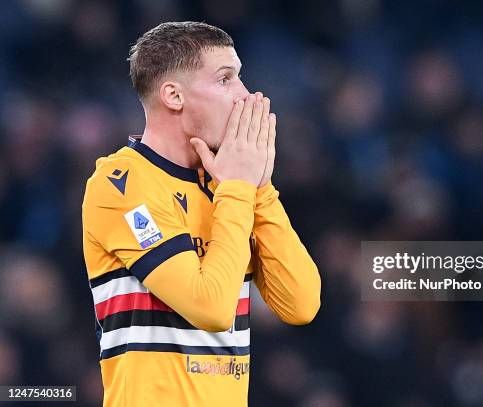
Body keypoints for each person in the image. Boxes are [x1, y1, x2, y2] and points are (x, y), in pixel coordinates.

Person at [81, 21, 321, 407]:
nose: (246, 96)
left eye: (240, 77)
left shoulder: (227, 187)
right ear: (173, 95)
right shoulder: (121, 183)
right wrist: (240, 188)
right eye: (225, 80)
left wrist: (261, 190)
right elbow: (209, 308)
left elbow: (301, 304)